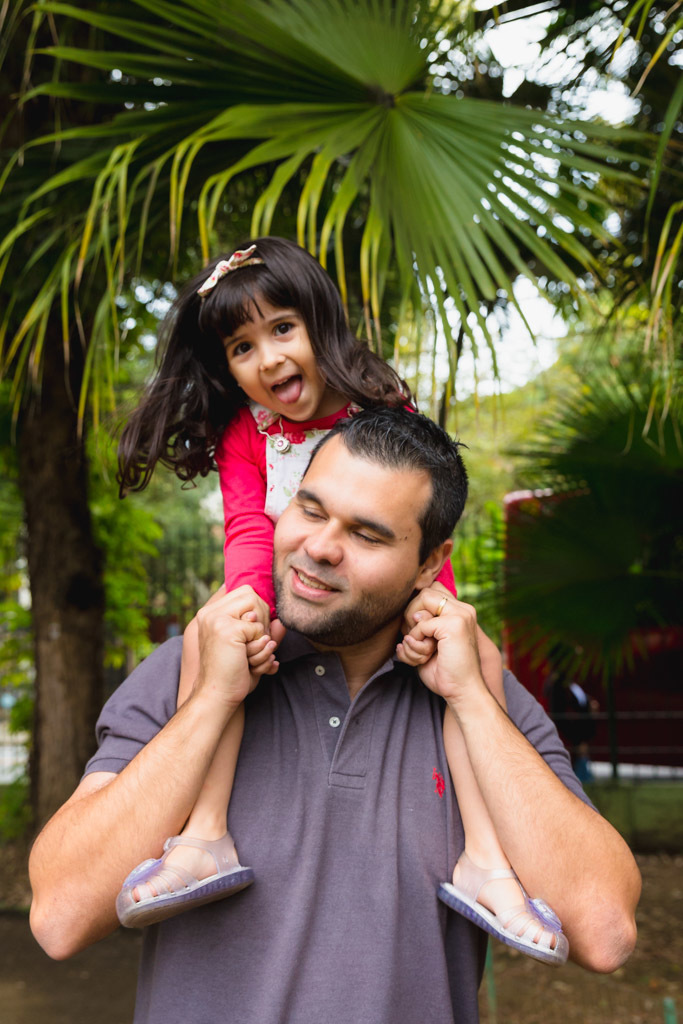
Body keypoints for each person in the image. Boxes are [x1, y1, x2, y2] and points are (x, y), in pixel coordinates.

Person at [28, 409, 640, 1024]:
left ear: (431, 564)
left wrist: (471, 700)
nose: (319, 548)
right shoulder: (187, 669)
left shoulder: (482, 696)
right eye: (310, 510)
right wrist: (211, 700)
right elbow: (59, 918)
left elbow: (604, 931)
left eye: (367, 536)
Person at [114, 237, 563, 961]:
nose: (267, 359)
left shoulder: (377, 405)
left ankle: (486, 859)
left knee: (474, 659)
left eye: (281, 329)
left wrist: (434, 607)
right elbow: (248, 524)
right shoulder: (245, 430)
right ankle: (203, 837)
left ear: (318, 322)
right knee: (208, 634)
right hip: (283, 585)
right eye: (241, 347)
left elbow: (418, 519)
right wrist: (248, 605)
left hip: (380, 591)